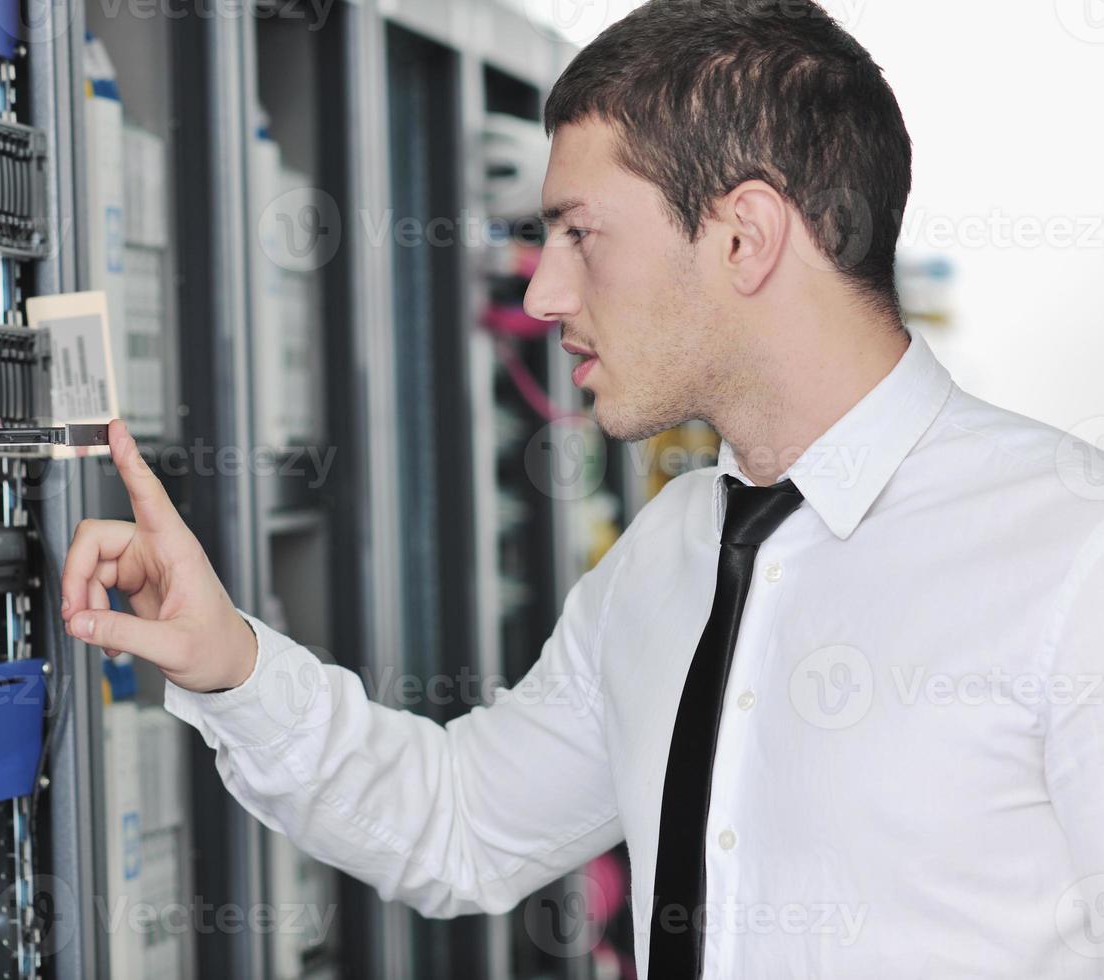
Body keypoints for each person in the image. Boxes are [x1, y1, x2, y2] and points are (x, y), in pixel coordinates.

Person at [61, 1, 1104, 976]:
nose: (543, 289)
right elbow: (460, 823)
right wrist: (231, 663)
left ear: (744, 235)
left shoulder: (1068, 551)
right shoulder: (672, 551)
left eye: (580, 233)